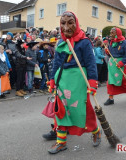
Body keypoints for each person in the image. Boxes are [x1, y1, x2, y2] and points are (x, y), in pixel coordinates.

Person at [46, 11, 101, 154]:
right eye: (63, 23)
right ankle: (61, 142)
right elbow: (56, 63)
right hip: (62, 80)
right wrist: (52, 81)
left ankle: (95, 131)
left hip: (79, 81)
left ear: (76, 24)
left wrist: (93, 83)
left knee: (83, 110)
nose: (66, 27)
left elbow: (90, 63)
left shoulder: (84, 42)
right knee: (61, 110)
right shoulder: (60, 42)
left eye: (70, 22)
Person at [104, 27, 126, 105]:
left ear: (117, 34)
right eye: (110, 32)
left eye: (112, 33)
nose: (110, 34)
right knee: (110, 81)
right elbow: (110, 54)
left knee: (124, 82)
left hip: (121, 65)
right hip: (112, 65)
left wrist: (122, 63)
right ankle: (111, 99)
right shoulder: (111, 42)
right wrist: (107, 51)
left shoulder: (125, 43)